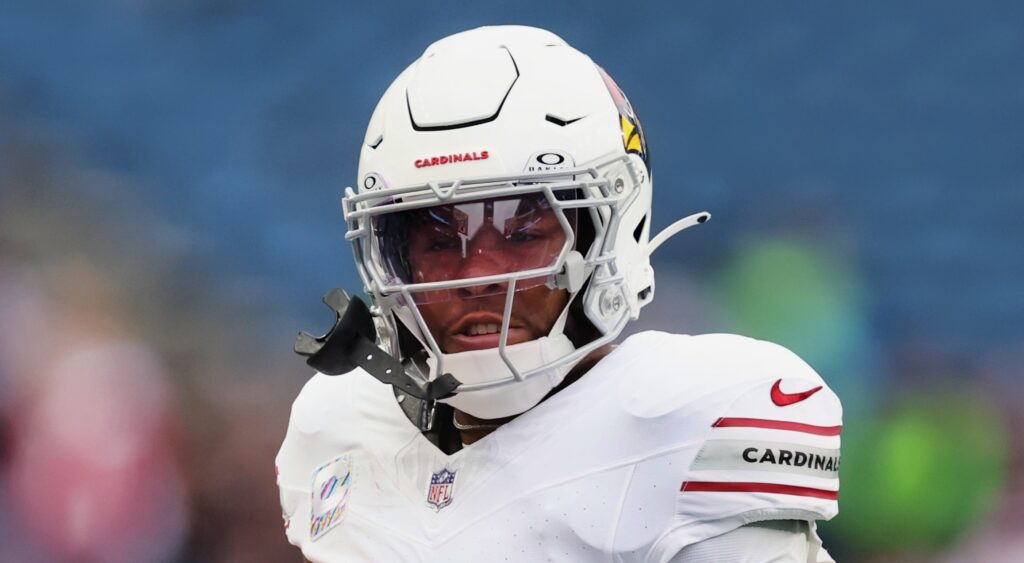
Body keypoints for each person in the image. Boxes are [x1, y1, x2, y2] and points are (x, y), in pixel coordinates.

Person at [276, 25, 841, 562]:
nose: (478, 274)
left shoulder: (688, 421)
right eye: (438, 242)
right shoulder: (338, 427)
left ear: (613, 229)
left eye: (523, 234)